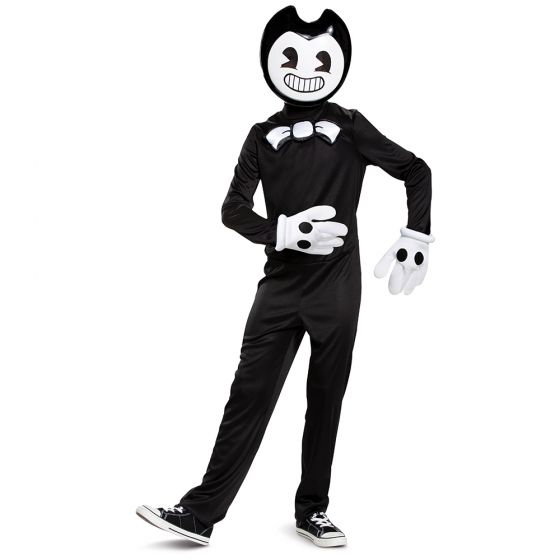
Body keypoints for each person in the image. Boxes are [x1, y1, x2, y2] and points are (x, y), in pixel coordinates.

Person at [136, 5, 433, 547]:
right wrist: (281, 231)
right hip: (279, 287)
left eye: (320, 58)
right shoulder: (260, 135)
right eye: (292, 56)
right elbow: (232, 210)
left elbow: (416, 169)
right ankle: (200, 514)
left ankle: (313, 511)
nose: (306, 69)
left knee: (326, 398)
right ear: (270, 61)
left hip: (337, 288)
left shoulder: (351, 126)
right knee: (247, 394)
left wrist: (417, 234)